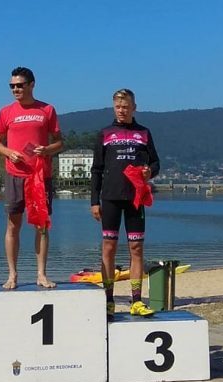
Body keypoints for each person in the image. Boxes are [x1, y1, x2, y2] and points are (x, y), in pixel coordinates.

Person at [0, 67, 63, 290]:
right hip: (15, 175)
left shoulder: (47, 110)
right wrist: (8, 152)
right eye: (12, 86)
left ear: (31, 84)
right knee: (13, 225)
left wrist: (47, 150)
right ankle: (12, 275)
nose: (15, 89)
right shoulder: (5, 112)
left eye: (20, 85)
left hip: (40, 177)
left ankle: (41, 274)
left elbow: (60, 143)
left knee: (41, 226)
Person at [90, 88, 160, 319]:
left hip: (135, 198)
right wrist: (94, 201)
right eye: (118, 107)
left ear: (134, 108)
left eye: (126, 107)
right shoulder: (105, 133)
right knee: (108, 248)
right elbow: (97, 170)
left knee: (136, 249)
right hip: (110, 197)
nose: (122, 111)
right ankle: (108, 300)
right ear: (114, 108)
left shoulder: (144, 133)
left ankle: (136, 301)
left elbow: (156, 163)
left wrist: (149, 172)